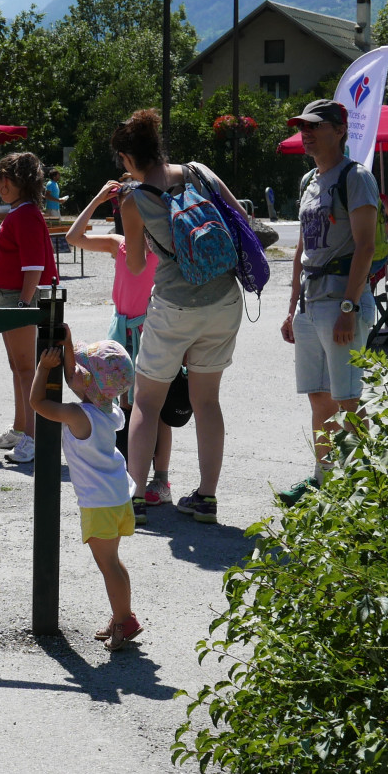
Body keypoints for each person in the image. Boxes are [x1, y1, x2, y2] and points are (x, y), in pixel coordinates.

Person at [114, 109, 247, 525]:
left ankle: (135, 498)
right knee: (207, 401)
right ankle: (206, 498)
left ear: (128, 158)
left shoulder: (134, 200)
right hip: (225, 298)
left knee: (147, 401)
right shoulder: (199, 171)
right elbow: (241, 220)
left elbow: (135, 265)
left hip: (174, 306)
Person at [277, 99, 381, 506]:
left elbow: (367, 246)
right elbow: (303, 247)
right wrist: (290, 307)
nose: (306, 132)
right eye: (303, 126)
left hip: (340, 301)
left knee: (348, 400)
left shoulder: (355, 178)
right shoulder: (308, 182)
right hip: (309, 304)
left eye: (315, 126)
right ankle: (324, 479)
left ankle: (373, 480)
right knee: (319, 396)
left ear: (339, 130)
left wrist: (348, 308)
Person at [28, 327, 142, 651]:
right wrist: (66, 345)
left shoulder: (78, 415)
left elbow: (37, 403)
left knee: (108, 566)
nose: (71, 371)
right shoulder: (107, 408)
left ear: (89, 384)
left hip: (100, 504)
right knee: (114, 562)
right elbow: (76, 379)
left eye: (79, 370)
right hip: (117, 496)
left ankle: (125, 621)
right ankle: (122, 615)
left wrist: (42, 369)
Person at [67, 181, 174, 505]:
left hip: (151, 329)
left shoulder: (161, 248)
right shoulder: (119, 245)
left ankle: (161, 479)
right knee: (124, 405)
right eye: (123, 209)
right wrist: (97, 198)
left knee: (157, 409)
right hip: (121, 332)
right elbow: (74, 237)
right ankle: (131, 477)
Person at [0, 151, 58, 465]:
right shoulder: (21, 211)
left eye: (5, 177)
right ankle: (20, 428)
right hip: (11, 298)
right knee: (19, 368)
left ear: (22, 181)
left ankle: (32, 438)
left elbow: (34, 267)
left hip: (18, 299)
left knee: (27, 369)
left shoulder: (25, 214)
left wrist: (25, 305)